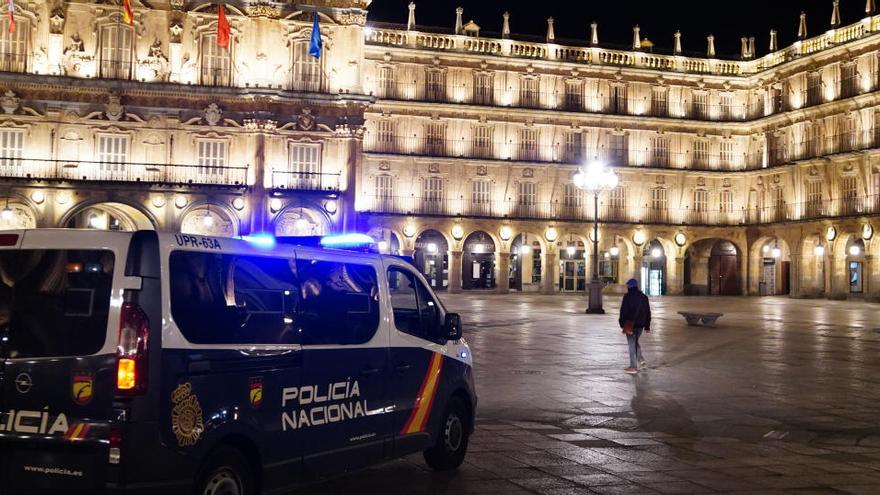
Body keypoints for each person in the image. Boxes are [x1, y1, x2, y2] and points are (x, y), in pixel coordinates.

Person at [618, 278, 651, 374]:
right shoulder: (644, 297)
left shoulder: (627, 297)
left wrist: (622, 323)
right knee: (635, 342)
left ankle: (633, 367)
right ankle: (641, 360)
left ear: (630, 286)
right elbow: (648, 312)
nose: (627, 287)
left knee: (632, 345)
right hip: (640, 325)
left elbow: (623, 311)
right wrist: (647, 326)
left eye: (627, 285)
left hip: (630, 324)